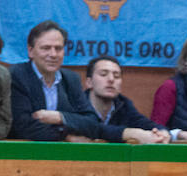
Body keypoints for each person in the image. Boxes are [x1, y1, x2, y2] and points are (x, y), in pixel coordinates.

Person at [10, 20, 161, 143]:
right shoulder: (17, 75)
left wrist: (60, 117)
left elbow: (91, 122)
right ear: (30, 51)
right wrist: (67, 136)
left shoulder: (71, 79)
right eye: (46, 48)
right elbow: (24, 126)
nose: (53, 54)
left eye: (58, 48)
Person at [84, 55, 170, 141]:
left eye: (116, 76)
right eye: (103, 74)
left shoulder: (124, 105)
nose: (111, 79)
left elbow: (145, 123)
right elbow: (91, 128)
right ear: (89, 82)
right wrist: (130, 133)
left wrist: (162, 132)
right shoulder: (76, 105)